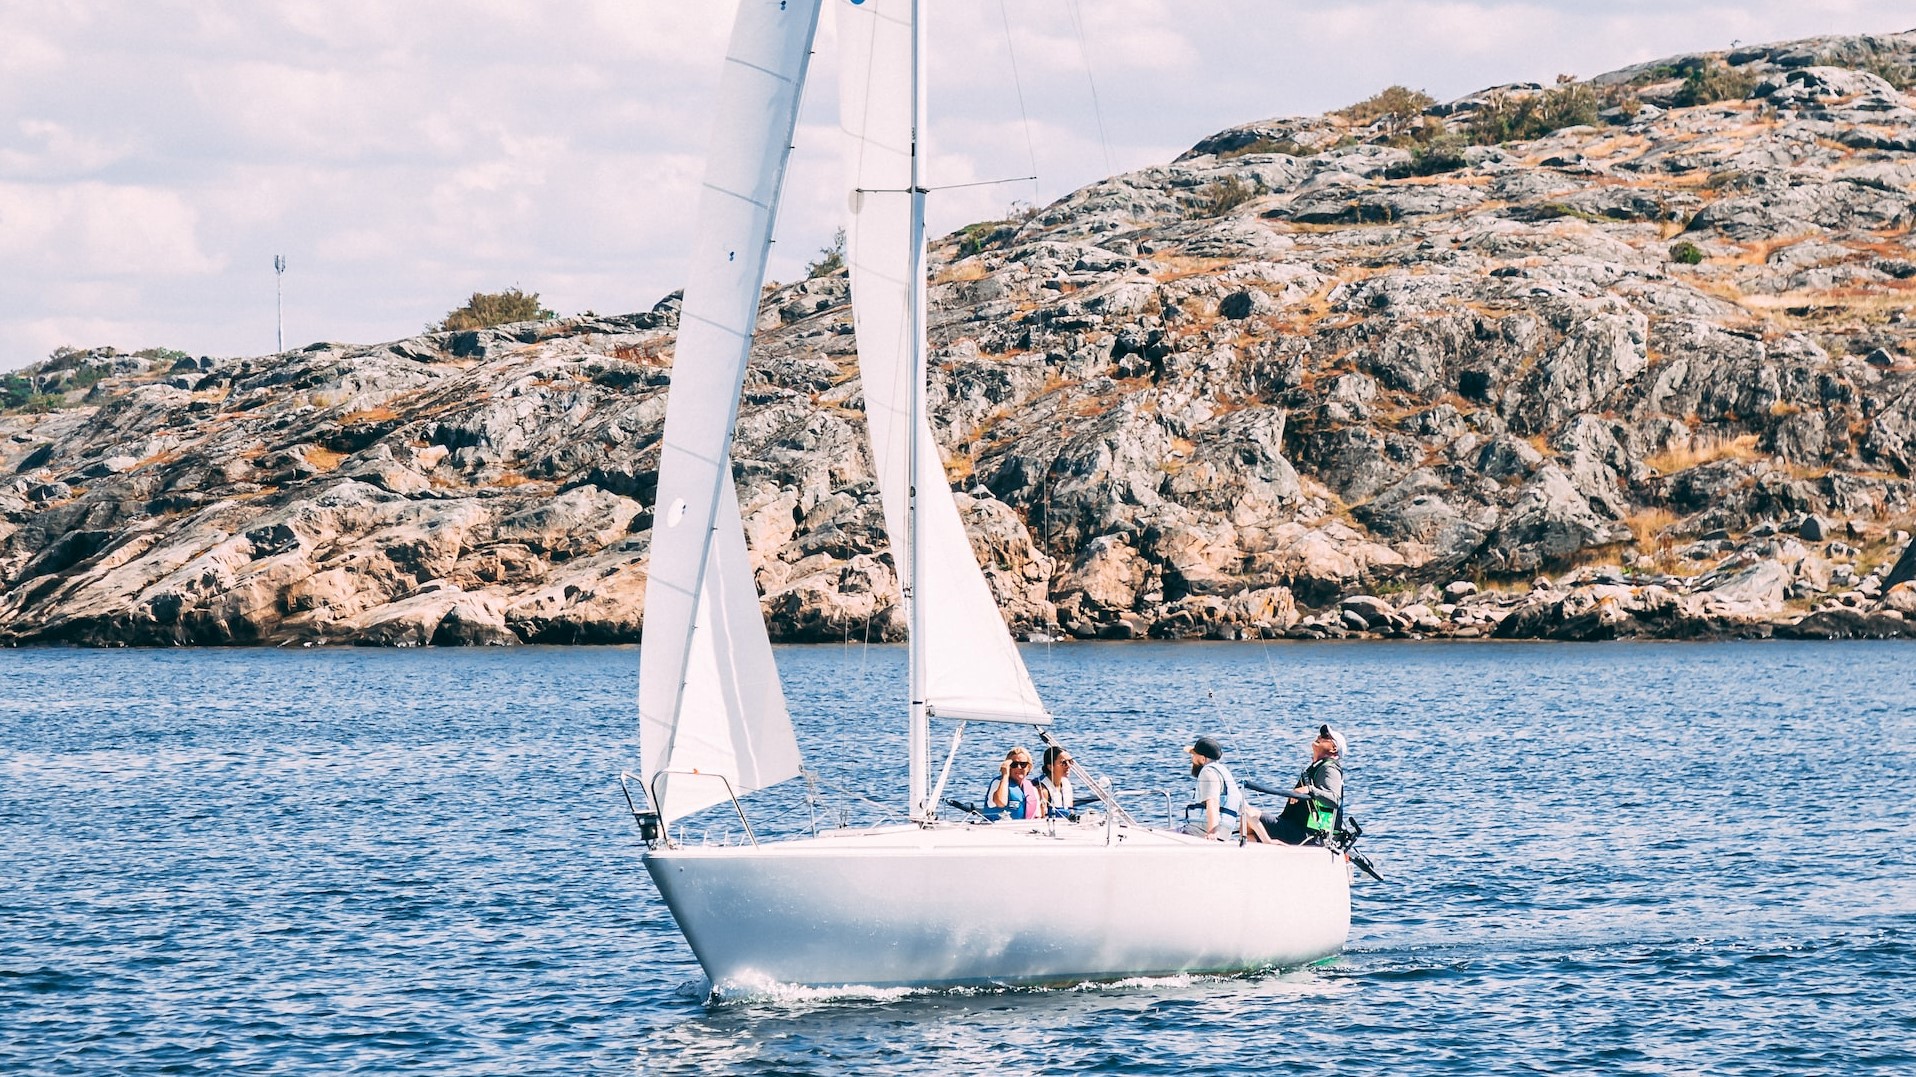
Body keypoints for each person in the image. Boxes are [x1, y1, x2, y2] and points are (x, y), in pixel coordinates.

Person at [1246, 724, 1346, 845]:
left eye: (1325, 736)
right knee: (1251, 831)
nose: (1319, 736)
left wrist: (1309, 789)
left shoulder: (1329, 768)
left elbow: (1335, 800)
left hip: (1310, 834)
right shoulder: (1317, 767)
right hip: (1296, 827)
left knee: (1250, 815)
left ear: (1334, 748)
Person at [1185, 735, 1242, 840]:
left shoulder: (1207, 772)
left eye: (1194, 755)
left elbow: (1213, 803)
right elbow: (1245, 809)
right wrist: (1267, 839)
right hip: (1224, 834)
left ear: (1202, 759)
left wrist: (1212, 832)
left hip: (1200, 832)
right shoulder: (1224, 772)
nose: (1192, 759)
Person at [984, 746, 1041, 820]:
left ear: (1029, 767)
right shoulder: (998, 783)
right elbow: (1000, 802)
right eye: (1014, 764)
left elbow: (1038, 816)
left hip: (1024, 828)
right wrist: (1005, 775)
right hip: (998, 828)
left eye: (1023, 764)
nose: (1019, 767)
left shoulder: (1032, 789)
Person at [1038, 745, 1074, 817]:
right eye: (1063, 763)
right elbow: (1041, 819)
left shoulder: (1066, 784)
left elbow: (1071, 811)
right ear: (1050, 767)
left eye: (1070, 761)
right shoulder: (1041, 789)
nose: (1068, 766)